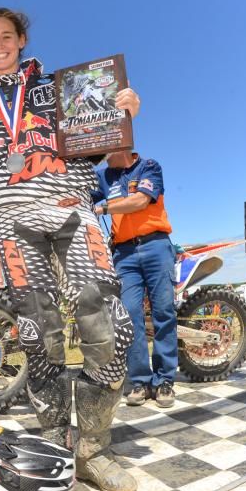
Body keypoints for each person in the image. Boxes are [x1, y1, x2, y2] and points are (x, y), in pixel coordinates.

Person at [0, 8, 139, 491]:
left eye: (6, 36)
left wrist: (122, 111)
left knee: (112, 326)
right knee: (39, 339)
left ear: (21, 39)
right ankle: (58, 447)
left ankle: (95, 450)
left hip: (70, 209)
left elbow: (99, 143)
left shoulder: (64, 87)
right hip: (13, 223)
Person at [93, 151, 178, 409]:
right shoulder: (103, 175)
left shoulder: (149, 166)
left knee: (163, 311)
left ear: (123, 145)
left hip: (156, 246)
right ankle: (140, 381)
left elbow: (141, 201)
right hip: (124, 253)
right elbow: (81, 194)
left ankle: (164, 380)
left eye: (109, 148)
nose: (104, 154)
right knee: (129, 317)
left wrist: (104, 207)